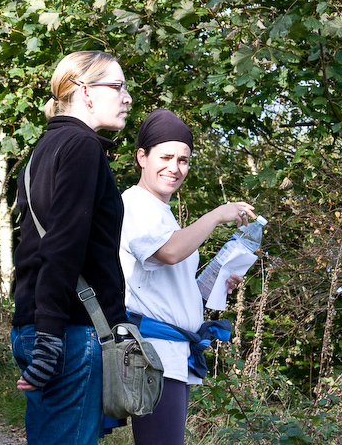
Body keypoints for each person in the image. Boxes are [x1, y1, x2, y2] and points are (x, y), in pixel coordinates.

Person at [11, 51, 133, 445]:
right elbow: (62, 247)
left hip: (41, 325)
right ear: (85, 91)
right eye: (117, 86)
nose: (127, 97)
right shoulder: (82, 146)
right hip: (68, 333)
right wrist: (50, 340)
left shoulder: (45, 147)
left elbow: (36, 245)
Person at [119, 109, 256, 445]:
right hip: (152, 356)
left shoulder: (161, 212)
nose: (175, 167)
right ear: (142, 157)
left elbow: (164, 279)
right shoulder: (134, 204)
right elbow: (168, 252)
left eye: (183, 159)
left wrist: (212, 282)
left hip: (171, 355)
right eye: (165, 156)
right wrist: (218, 214)